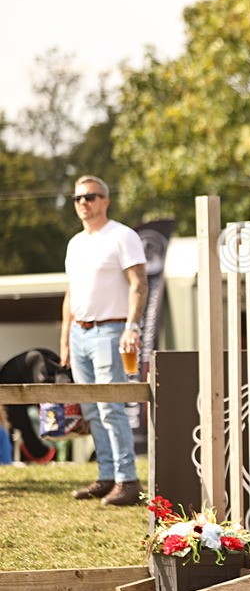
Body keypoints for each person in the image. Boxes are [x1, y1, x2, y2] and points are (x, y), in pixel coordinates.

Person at [61, 175, 147, 505]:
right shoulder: (75, 243)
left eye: (91, 196)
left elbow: (139, 283)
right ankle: (106, 475)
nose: (84, 202)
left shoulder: (122, 236)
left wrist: (132, 327)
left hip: (111, 331)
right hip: (80, 333)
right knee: (91, 410)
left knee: (111, 407)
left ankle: (128, 481)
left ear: (105, 200)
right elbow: (71, 293)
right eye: (78, 198)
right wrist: (66, 337)